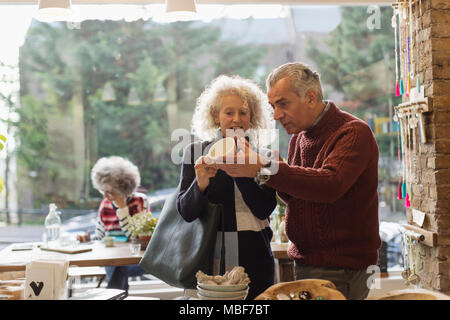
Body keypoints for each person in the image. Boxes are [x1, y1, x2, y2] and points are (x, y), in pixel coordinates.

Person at [217, 62, 382, 300]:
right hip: (307, 262)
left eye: (283, 104)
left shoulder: (353, 132)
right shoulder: (299, 138)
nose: (276, 115)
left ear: (311, 97)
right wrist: (262, 171)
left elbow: (329, 185)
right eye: (273, 106)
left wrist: (267, 167)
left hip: (342, 268)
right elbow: (296, 195)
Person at [176, 75, 277, 300]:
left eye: (243, 112)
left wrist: (239, 168)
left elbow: (264, 209)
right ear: (215, 116)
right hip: (209, 260)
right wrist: (200, 183)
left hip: (255, 260)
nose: (236, 120)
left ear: (252, 117)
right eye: (228, 113)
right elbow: (186, 213)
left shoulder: (264, 157)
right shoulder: (195, 153)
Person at [88, 156, 149, 293]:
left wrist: (122, 210)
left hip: (137, 260)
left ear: (124, 189)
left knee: (119, 268)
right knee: (116, 266)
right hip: (112, 260)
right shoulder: (105, 205)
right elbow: (100, 237)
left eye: (109, 192)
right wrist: (87, 239)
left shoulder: (140, 201)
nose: (105, 197)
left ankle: (111, 295)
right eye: (103, 191)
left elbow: (135, 237)